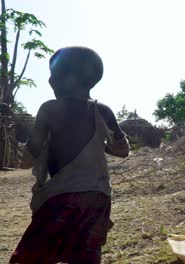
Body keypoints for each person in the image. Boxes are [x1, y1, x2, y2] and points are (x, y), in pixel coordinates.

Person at [10, 46, 130, 264]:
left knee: (31, 255)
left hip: (61, 196)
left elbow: (31, 153)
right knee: (85, 254)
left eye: (53, 75)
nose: (49, 81)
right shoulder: (103, 110)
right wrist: (98, 145)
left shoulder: (49, 109)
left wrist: (25, 158)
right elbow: (122, 151)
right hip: (97, 196)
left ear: (70, 79)